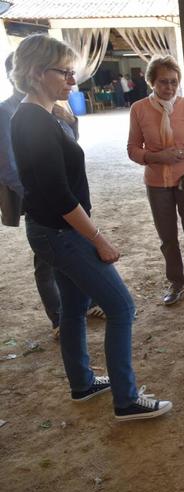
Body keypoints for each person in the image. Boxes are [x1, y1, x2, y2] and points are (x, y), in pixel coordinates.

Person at [10, 34, 171, 420]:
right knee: (121, 307)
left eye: (72, 72)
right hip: (62, 233)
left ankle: (82, 383)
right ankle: (126, 399)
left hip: (54, 231)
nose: (72, 80)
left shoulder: (42, 115)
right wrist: (98, 238)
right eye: (65, 72)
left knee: (75, 307)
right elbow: (59, 194)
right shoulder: (33, 121)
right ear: (36, 73)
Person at [1, 52, 104, 338]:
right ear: (30, 73)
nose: (70, 80)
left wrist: (69, 120)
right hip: (51, 212)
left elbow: (69, 149)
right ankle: (58, 319)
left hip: (67, 205)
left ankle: (77, 314)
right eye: (64, 72)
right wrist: (39, 195)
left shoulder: (49, 108)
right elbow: (9, 168)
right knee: (47, 265)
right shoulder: (14, 113)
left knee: (67, 268)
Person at [127, 56, 184, 305]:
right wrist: (156, 156)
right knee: (167, 237)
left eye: (174, 82)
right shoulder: (139, 109)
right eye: (163, 82)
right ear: (151, 81)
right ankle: (176, 283)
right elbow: (132, 149)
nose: (170, 87)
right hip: (156, 183)